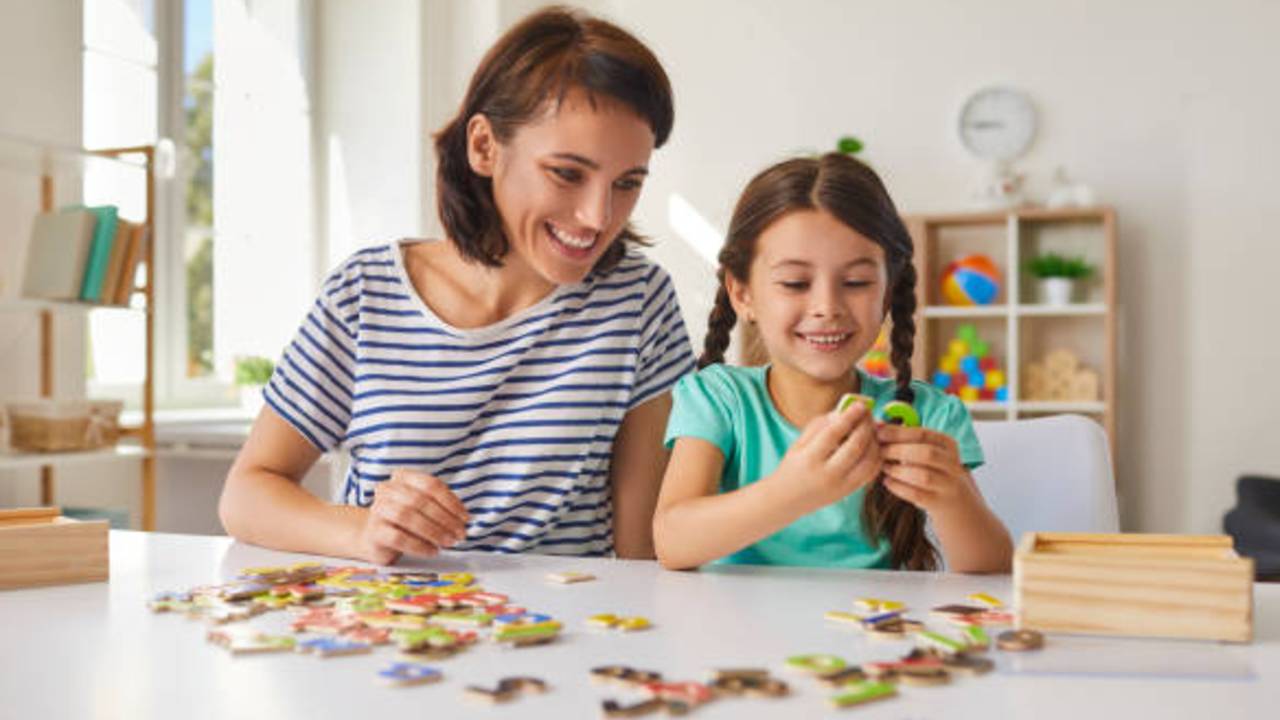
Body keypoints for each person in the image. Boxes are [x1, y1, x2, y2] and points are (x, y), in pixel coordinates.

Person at [220, 6, 695, 565]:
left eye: (627, 183)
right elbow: (246, 494)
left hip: (570, 616)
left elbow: (644, 551)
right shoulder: (365, 294)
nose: (597, 216)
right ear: (484, 147)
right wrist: (361, 531)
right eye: (567, 173)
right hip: (391, 614)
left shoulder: (638, 302)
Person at [653, 153, 1012, 572]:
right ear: (742, 294)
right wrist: (794, 491)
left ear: (888, 292)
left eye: (856, 282)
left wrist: (952, 499)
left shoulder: (929, 413)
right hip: (731, 615)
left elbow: (992, 568)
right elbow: (672, 542)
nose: (827, 306)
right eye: (795, 283)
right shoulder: (718, 397)